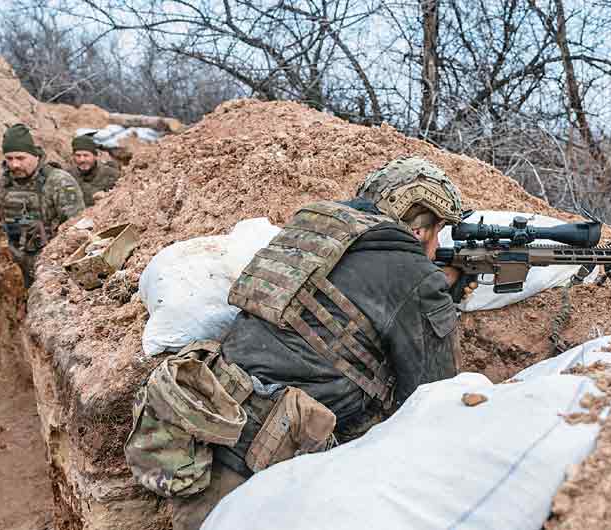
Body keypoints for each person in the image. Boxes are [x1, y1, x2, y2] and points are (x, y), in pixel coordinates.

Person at [127, 157, 474, 530]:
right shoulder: (412, 273)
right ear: (417, 224)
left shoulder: (311, 232)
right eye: (437, 232)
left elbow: (337, 310)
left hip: (208, 431)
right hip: (272, 470)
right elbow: (432, 398)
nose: (437, 248)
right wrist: (435, 297)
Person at [0, 123, 85, 286]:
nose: (14, 164)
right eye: (9, 158)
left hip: (52, 266)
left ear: (35, 155)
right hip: (19, 261)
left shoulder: (58, 181)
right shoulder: (5, 182)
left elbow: (78, 229)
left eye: (20, 158)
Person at [66, 133, 120, 206]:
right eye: (78, 155)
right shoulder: (67, 176)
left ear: (96, 156)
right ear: (73, 156)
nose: (82, 160)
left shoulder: (112, 175)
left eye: (86, 155)